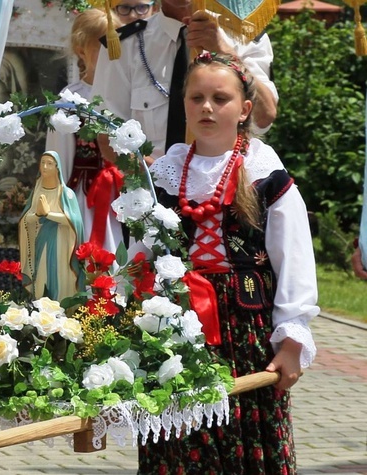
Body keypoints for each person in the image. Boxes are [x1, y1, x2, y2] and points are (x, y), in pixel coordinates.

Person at [145, 52, 318, 473]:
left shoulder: (264, 172)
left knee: (245, 437)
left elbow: (294, 258)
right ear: (183, 104)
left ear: (243, 110)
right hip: (178, 325)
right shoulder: (166, 173)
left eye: (220, 98)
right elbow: (145, 255)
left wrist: (292, 339)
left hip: (246, 331)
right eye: (196, 97)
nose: (206, 107)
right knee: (179, 441)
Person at [93, 0, 279, 160]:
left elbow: (264, 117)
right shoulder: (125, 45)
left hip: (226, 190)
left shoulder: (243, 38)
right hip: (151, 191)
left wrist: (225, 51)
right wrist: (162, 179)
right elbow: (108, 136)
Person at [45, 8, 126, 254]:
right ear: (82, 50)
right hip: (86, 195)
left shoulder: (128, 93)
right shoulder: (71, 99)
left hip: (125, 194)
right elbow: (58, 156)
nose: (113, 52)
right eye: (104, 45)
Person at [19, 151, 85, 302]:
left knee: (61, 276)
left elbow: (75, 221)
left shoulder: (66, 194)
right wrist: (37, 215)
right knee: (42, 274)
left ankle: (63, 309)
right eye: (42, 163)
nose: (45, 166)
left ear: (57, 168)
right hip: (42, 240)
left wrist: (49, 214)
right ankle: (42, 310)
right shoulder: (36, 193)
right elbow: (25, 219)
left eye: (49, 163)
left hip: (63, 245)